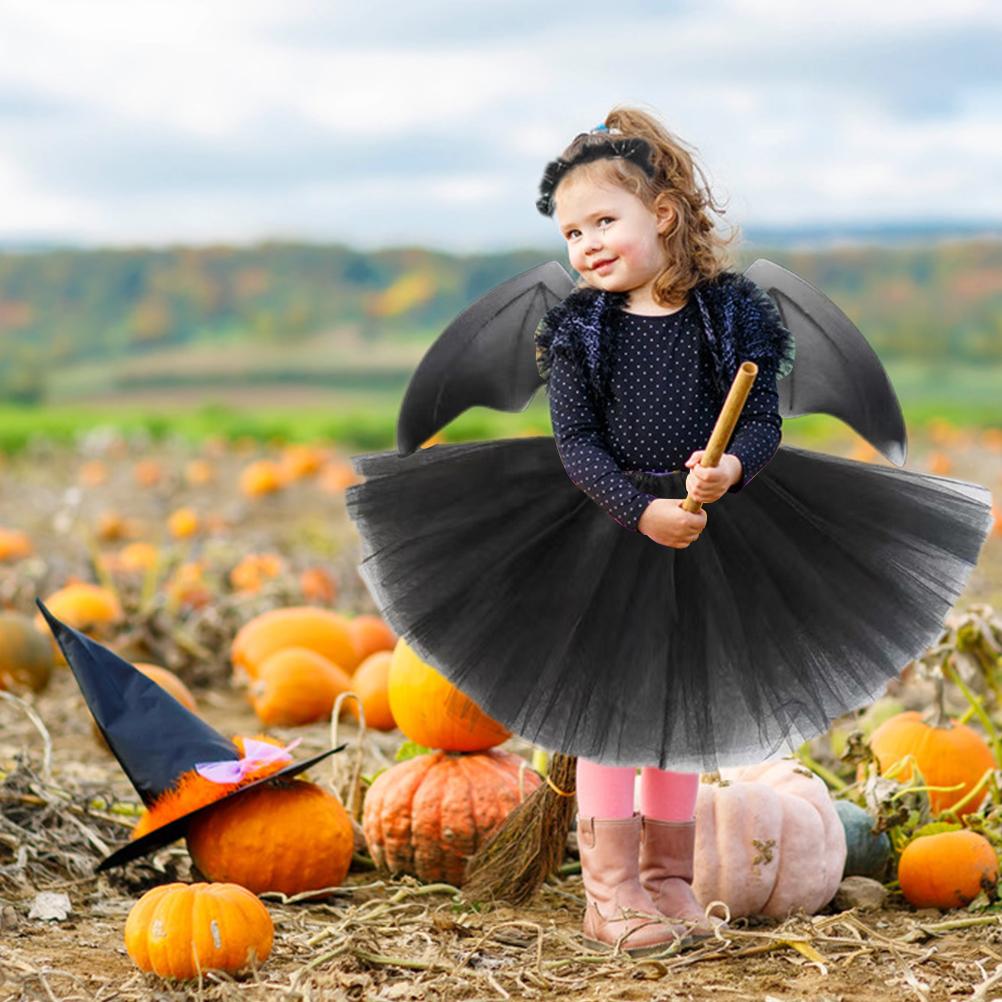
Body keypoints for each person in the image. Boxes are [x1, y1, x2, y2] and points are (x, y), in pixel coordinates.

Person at [345, 106, 993, 956]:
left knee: (683, 715)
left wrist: (731, 471)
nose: (586, 244)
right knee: (614, 718)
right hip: (607, 534)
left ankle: (668, 882)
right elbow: (575, 445)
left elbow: (760, 424)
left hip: (710, 536)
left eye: (603, 221)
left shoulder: (732, 316)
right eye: (572, 232)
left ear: (664, 214)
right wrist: (637, 508)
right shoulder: (580, 328)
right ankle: (609, 894)